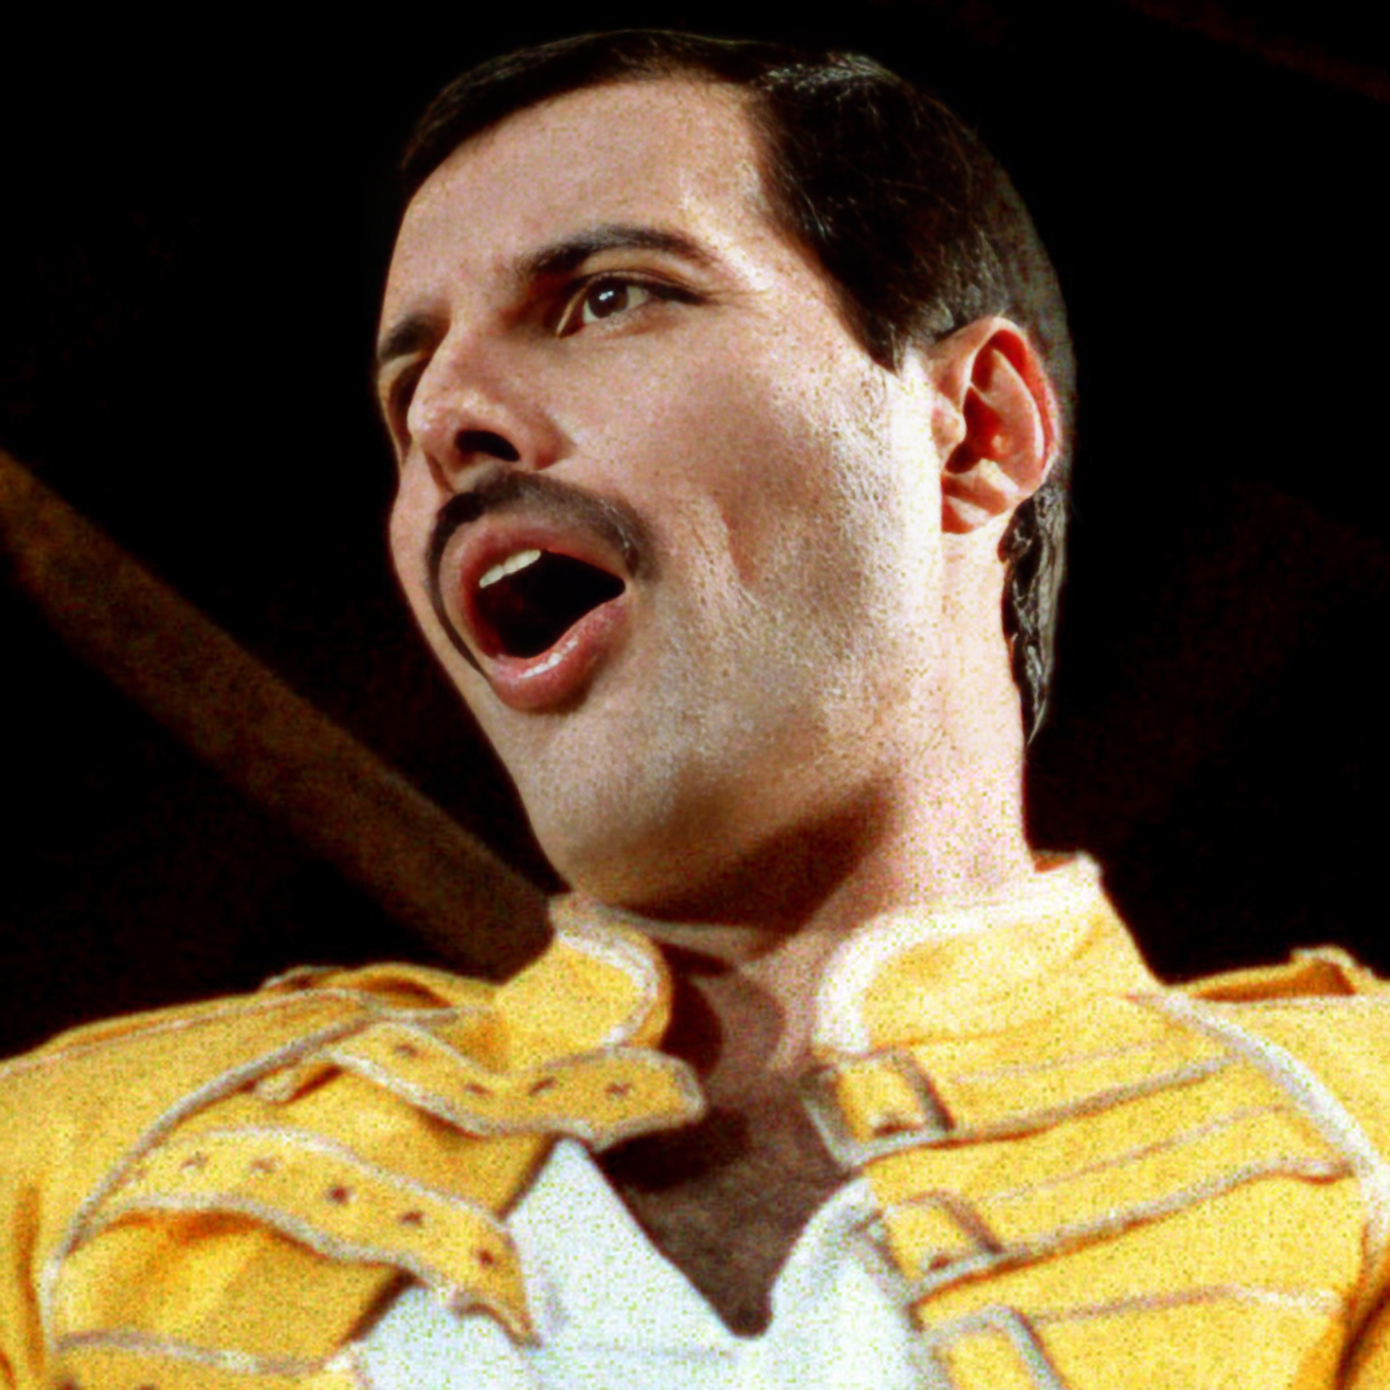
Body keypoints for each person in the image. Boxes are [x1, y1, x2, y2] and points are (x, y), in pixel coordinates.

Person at [2, 29, 1389, 1390]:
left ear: (975, 430)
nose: (444, 419)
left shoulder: (1363, 1147)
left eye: (608, 297)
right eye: (406, 386)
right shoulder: (62, 1184)